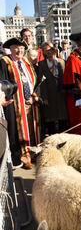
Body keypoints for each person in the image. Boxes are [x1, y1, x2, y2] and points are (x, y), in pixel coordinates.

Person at [0, 37, 41, 169]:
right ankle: (21, 157)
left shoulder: (25, 61)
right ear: (10, 49)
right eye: (16, 48)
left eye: (22, 48)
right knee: (17, 130)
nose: (19, 50)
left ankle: (32, 153)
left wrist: (33, 96)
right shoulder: (5, 62)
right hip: (15, 102)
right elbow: (2, 83)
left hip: (29, 103)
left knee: (31, 128)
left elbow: (31, 81)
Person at [38, 45, 69, 138]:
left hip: (61, 94)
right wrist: (44, 97)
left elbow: (66, 77)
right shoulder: (42, 64)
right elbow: (41, 82)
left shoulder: (62, 62)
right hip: (49, 93)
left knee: (62, 117)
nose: (49, 52)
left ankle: (63, 138)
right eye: (46, 50)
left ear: (55, 50)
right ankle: (52, 138)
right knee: (51, 118)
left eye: (51, 49)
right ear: (44, 52)